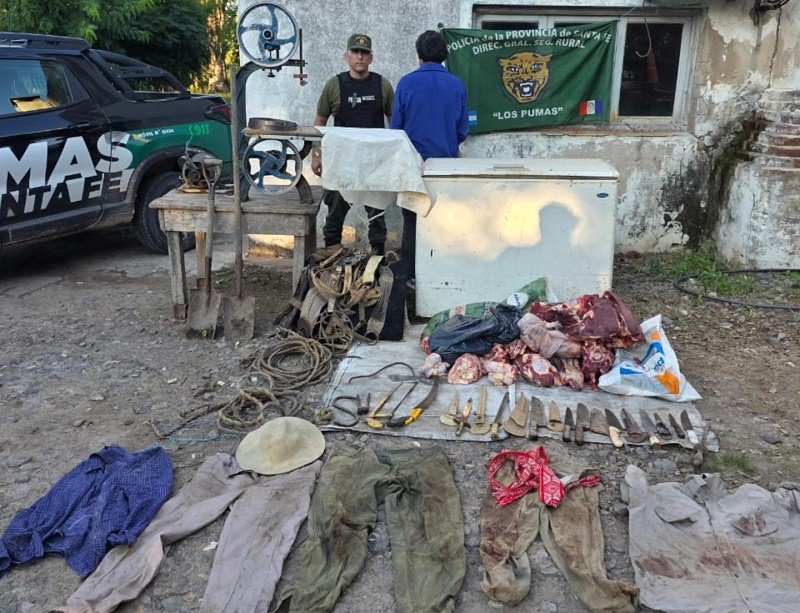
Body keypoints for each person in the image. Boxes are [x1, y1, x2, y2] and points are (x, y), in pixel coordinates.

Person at [391, 30, 469, 289]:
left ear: (419, 55)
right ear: (444, 55)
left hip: (414, 167)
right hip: (447, 168)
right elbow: (462, 131)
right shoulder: (457, 85)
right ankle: (444, 278)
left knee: (412, 223)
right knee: (445, 223)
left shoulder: (406, 84)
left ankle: (411, 280)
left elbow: (397, 131)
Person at [311, 33, 394, 256]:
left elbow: (395, 124)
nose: (360, 57)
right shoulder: (334, 85)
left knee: (377, 213)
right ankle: (331, 254)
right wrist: (317, 155)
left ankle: (377, 259)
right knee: (335, 210)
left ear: (371, 58)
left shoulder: (382, 86)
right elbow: (320, 123)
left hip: (374, 162)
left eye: (364, 53)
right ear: (346, 56)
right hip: (342, 162)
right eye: (355, 52)